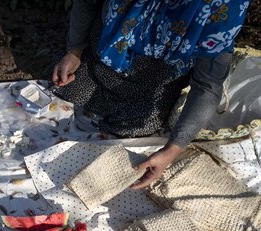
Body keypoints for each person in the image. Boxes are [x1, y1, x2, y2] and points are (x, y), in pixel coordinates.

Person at [50, 0, 249, 188]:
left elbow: (207, 85)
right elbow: (87, 3)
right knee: (63, 92)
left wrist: (174, 148)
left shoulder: (223, 6)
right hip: (102, 54)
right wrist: (74, 50)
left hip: (152, 84)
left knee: (132, 139)